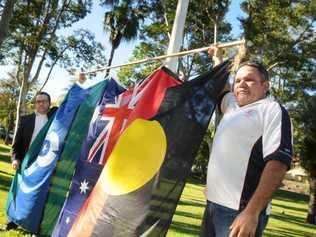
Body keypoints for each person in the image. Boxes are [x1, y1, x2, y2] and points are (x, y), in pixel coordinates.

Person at [200, 46, 293, 237]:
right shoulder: (233, 107)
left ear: (265, 86)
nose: (242, 84)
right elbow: (222, 88)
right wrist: (217, 60)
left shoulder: (272, 110)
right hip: (212, 207)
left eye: (249, 80)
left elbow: (278, 163)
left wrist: (252, 212)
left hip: (238, 212)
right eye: (238, 80)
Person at [2, 91, 57, 231]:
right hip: (26, 162)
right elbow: (16, 144)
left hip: (44, 165)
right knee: (19, 191)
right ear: (35, 104)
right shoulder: (25, 119)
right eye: (38, 101)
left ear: (49, 103)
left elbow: (70, 104)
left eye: (44, 101)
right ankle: (12, 220)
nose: (41, 104)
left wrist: (79, 83)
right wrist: (15, 159)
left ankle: (35, 225)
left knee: (39, 195)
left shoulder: (55, 117)